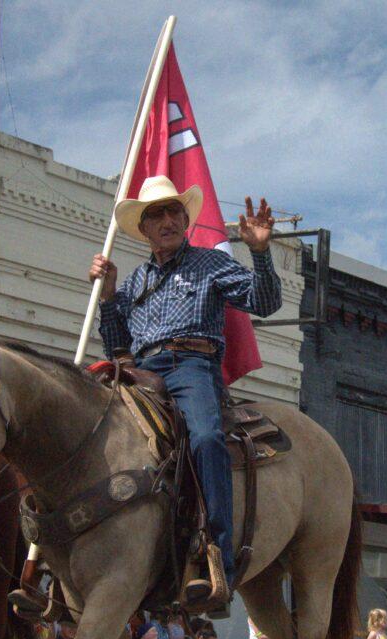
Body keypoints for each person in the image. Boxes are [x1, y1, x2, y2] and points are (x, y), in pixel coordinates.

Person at [89, 176, 281, 603]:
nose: (167, 220)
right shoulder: (135, 281)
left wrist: (261, 252)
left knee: (207, 438)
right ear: (144, 229)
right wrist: (107, 296)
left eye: (174, 211)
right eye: (155, 214)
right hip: (139, 371)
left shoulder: (209, 265)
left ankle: (218, 553)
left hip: (191, 365)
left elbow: (264, 303)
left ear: (184, 219)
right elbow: (116, 346)